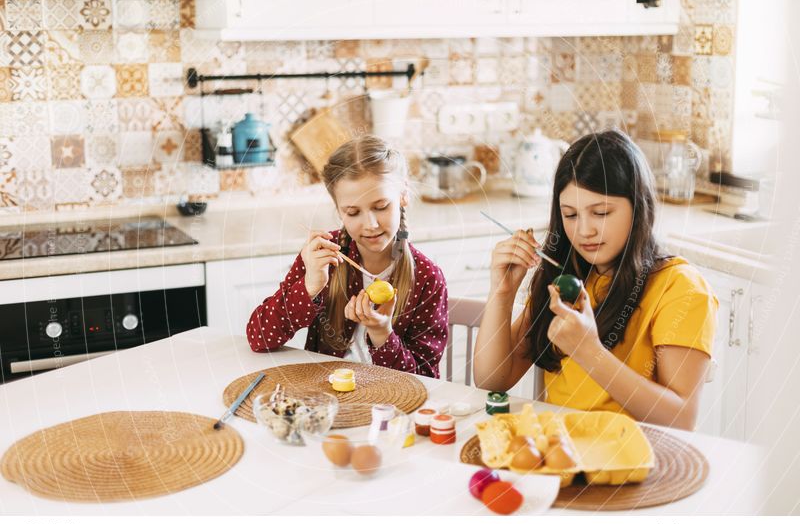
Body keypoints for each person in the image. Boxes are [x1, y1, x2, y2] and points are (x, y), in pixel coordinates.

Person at [473, 129, 718, 430]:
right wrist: (502, 292)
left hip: (638, 462)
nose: (585, 230)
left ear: (639, 207)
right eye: (571, 215)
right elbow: (491, 380)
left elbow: (681, 420)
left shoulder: (681, 289)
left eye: (601, 213)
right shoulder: (564, 276)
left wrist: (589, 351)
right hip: (562, 453)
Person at [246, 135, 449, 378]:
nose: (370, 224)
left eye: (381, 206)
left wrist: (382, 333)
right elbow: (258, 338)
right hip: (325, 402)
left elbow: (426, 379)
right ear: (339, 210)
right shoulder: (321, 258)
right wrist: (310, 286)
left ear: (403, 195)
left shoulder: (427, 278)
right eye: (353, 212)